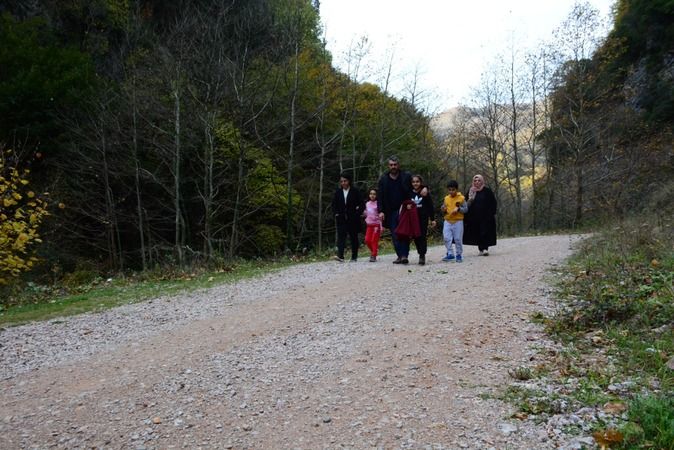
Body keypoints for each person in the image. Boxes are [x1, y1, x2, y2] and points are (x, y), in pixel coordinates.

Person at [377, 156, 414, 264]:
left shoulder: (406, 176)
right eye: (391, 165)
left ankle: (404, 256)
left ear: (399, 165)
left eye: (395, 164)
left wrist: (425, 187)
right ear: (388, 166)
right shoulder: (383, 179)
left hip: (404, 210)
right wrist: (381, 210)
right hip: (390, 211)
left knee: (404, 233)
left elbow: (416, 186)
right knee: (395, 234)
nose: (393, 166)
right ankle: (400, 255)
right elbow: (380, 196)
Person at [332, 172, 364, 262]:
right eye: (341, 181)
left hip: (353, 218)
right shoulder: (338, 192)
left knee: (353, 237)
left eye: (345, 181)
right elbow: (334, 205)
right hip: (341, 218)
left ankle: (354, 256)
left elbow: (362, 204)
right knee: (341, 237)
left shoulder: (355, 191)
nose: (343, 183)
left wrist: (357, 213)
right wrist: (336, 213)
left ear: (349, 181)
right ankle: (340, 256)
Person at [463, 174, 497, 255]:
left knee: (484, 232)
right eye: (475, 180)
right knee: (477, 232)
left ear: (482, 181)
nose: (477, 182)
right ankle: (480, 249)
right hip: (474, 217)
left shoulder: (487, 191)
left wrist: (491, 213)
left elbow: (493, 203)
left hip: (486, 217)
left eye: (479, 180)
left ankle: (485, 248)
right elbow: (465, 204)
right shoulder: (470, 191)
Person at [410, 175, 436, 265]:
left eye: (417, 181)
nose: (415, 183)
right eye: (413, 182)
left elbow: (430, 206)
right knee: (416, 237)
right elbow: (406, 204)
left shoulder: (425, 193)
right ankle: (419, 252)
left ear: (420, 183)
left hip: (423, 218)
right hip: (413, 219)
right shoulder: (409, 193)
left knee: (422, 236)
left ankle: (422, 255)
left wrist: (432, 219)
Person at [441, 180, 468, 262]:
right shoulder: (446, 198)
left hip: (458, 221)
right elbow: (444, 207)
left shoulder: (461, 198)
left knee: (458, 239)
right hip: (448, 220)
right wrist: (443, 208)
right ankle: (450, 253)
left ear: (456, 189)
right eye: (449, 190)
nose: (451, 191)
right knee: (446, 237)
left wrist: (459, 209)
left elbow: (466, 209)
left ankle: (459, 254)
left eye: (453, 189)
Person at [363, 188, 382, 262]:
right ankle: (373, 251)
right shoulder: (367, 204)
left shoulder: (378, 204)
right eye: (371, 194)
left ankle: (373, 255)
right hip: (369, 225)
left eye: (374, 194)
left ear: (376, 195)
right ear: (369, 195)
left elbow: (380, 216)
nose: (372, 195)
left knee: (374, 240)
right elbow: (366, 213)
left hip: (376, 225)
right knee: (367, 240)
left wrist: (381, 226)